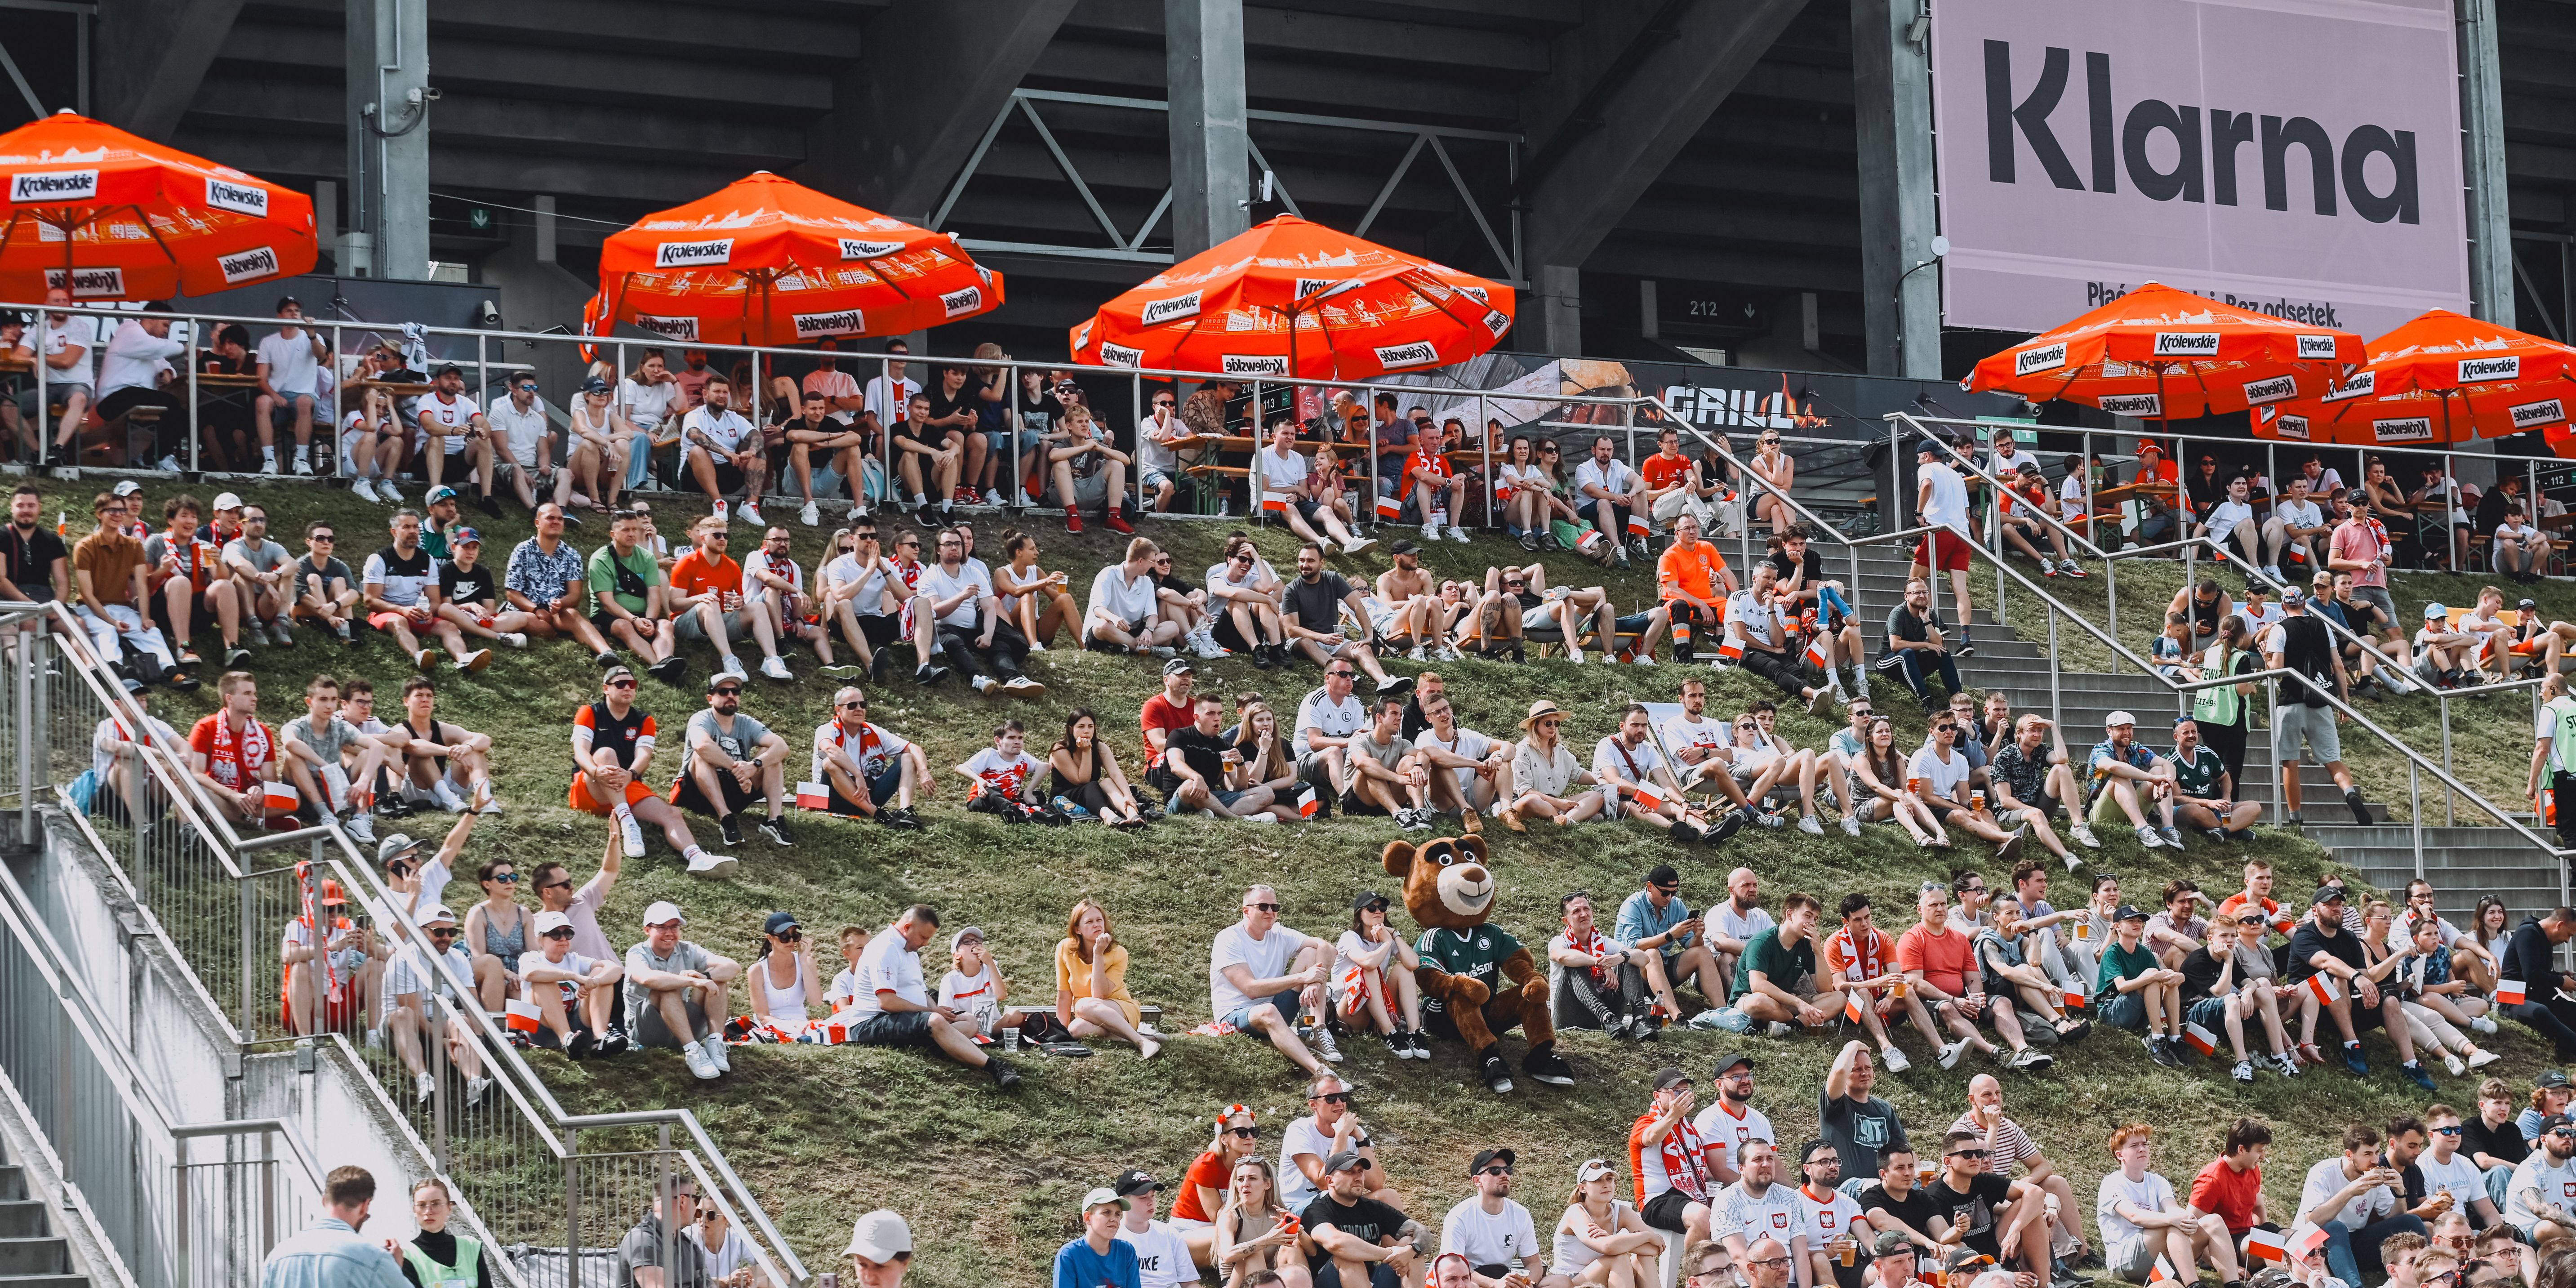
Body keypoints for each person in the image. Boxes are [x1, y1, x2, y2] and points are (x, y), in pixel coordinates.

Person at [844, 903, 1020, 1088]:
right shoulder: (885, 949)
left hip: (906, 1018)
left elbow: (922, 991)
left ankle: (939, 1042)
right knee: (935, 1021)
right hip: (872, 1022)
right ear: (907, 928)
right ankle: (996, 1067)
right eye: (923, 937)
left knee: (969, 1020)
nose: (926, 943)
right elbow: (887, 1002)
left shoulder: (910, 950)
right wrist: (931, 1012)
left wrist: (936, 1008)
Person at [1212, 885, 1338, 1074]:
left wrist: (1313, 982)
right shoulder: (1228, 939)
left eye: (1275, 907)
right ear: (1246, 911)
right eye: (1263, 907)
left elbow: (1328, 949)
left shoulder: (1279, 933)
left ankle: (1318, 1029)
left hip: (1275, 1008)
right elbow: (1251, 989)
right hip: (1234, 1016)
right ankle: (1319, 1070)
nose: (1270, 912)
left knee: (1312, 952)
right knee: (1268, 1010)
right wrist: (1303, 977)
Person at [2097, 1124, 2240, 1288]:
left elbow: (2173, 1209)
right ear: (2120, 1155)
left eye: (2145, 1144)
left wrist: (2188, 1220)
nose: (2142, 1149)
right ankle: (2194, 1284)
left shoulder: (2157, 1181)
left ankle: (2234, 1285)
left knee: (2214, 1221)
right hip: (2124, 1260)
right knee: (2170, 1225)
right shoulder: (2112, 1183)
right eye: (2135, 1146)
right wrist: (2174, 1219)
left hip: (2160, 1255)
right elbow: (2134, 1216)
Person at [382, 903, 494, 1105]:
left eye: (452, 931)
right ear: (419, 931)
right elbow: (415, 1015)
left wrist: (478, 1040)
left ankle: (475, 1084)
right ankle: (424, 1081)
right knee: (404, 1014)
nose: (447, 938)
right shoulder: (402, 960)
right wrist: (441, 1040)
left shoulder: (458, 958)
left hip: (439, 1024)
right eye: (439, 931)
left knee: (461, 1019)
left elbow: (472, 1006)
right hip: (402, 1029)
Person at [2300, 1123, 2425, 1285]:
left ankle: (2434, 1270)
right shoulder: (2323, 1172)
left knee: (2411, 1221)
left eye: (2377, 1152)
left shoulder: (2376, 1174)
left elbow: (2394, 1218)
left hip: (2356, 1243)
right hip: (2320, 1247)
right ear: (2349, 1155)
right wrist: (2351, 1191)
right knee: (2335, 1227)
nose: (2374, 1160)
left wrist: (2400, 1192)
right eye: (2367, 1154)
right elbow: (2312, 1221)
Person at [1551, 890, 1677, 1038]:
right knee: (1574, 965)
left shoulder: (1603, 941)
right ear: (1566, 921)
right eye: (1577, 911)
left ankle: (1640, 1021)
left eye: (1586, 909)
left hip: (1609, 1015)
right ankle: (1606, 1017)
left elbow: (1644, 959)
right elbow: (1563, 957)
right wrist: (1601, 963)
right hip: (1569, 1014)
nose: (1584, 914)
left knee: (1629, 959)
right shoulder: (1559, 941)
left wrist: (1620, 958)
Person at [258, 1165, 408, 1288]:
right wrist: (393, 1269)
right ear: (365, 1206)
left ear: (324, 1201)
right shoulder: (374, 1258)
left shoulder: (278, 1255)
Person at [1619, 866, 1727, 1022]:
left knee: (1703, 951)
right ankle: (1676, 1015)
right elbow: (1632, 946)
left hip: (1661, 970)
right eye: (1665, 893)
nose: (1669, 898)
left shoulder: (1676, 906)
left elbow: (1691, 945)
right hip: (1633, 972)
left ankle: (1723, 1012)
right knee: (1652, 953)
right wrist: (1670, 936)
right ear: (1650, 886)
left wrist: (1698, 935)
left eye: (1674, 893)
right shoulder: (1632, 905)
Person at [591, 508, 685, 684]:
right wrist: (635, 620)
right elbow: (607, 603)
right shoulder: (601, 559)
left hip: (642, 615)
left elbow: (654, 595)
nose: (632, 534)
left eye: (635, 529)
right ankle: (658, 665)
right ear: (613, 534)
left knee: (664, 625)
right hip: (610, 616)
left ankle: (667, 661)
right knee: (624, 626)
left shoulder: (647, 557)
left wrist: (650, 619)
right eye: (626, 530)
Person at [1630, 1067, 1721, 1248]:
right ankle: (1697, 1272)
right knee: (1702, 1216)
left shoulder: (1689, 1130)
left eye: (1685, 1092)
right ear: (1658, 1096)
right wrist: (1673, 1115)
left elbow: (1704, 1171)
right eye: (1676, 1092)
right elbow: (1651, 1138)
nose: (1681, 1097)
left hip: (1689, 1195)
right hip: (1656, 1200)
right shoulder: (1647, 1122)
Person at [1056, 899, 1157, 1058]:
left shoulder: (1119, 953)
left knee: (1083, 1005)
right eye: (1089, 922)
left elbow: (1099, 995)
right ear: (1078, 929)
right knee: (1075, 1030)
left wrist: (1098, 953)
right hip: (1088, 1015)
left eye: (1099, 920)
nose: (1096, 925)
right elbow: (1064, 995)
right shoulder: (1064, 948)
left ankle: (1142, 1042)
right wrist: (1060, 1034)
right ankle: (1128, 1037)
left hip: (1121, 1009)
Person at [1442, 1147, 1553, 1288]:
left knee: (1560, 1282)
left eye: (1508, 1170)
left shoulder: (1521, 1214)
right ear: (1477, 1181)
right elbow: (1453, 1268)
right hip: (1472, 1282)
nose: (1504, 1175)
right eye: (1495, 1171)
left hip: (1505, 1280)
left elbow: (1533, 1263)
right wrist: (1494, 1284)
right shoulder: (1459, 1216)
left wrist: (1527, 1284)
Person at [1909, 434, 1978, 658]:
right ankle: (1965, 637)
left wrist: (1919, 514)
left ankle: (1935, 622)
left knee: (1914, 583)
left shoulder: (1927, 470)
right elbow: (1968, 514)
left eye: (1920, 458)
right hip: (1962, 534)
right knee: (1961, 589)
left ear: (1927, 456)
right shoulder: (1957, 476)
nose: (1918, 462)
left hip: (1940, 531)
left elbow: (1926, 485)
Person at [1307, 1151, 1418, 1288]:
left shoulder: (1375, 1208)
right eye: (1350, 1172)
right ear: (1330, 1181)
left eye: (1360, 1172)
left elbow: (1423, 1233)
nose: (1358, 1177)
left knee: (1411, 1243)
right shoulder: (1316, 1210)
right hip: (1331, 1281)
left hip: (1369, 1281)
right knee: (1348, 1256)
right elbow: (1336, 1243)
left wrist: (1411, 1251)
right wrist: (1390, 1254)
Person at [189, 669, 285, 824]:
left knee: (293, 799)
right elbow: (196, 774)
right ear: (230, 699)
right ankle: (254, 821)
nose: (255, 698)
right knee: (195, 789)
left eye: (254, 693)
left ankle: (235, 817)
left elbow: (271, 781)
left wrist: (259, 791)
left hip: (250, 798)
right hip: (218, 793)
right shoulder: (205, 727)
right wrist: (232, 795)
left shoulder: (263, 732)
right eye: (247, 693)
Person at [1551, 1158, 1660, 1288]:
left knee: (1643, 1258)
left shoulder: (1621, 1212)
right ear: (1583, 1188)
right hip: (1571, 1282)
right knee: (1619, 1258)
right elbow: (1607, 1247)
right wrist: (1646, 1236)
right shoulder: (1576, 1213)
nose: (1606, 1185)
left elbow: (1655, 1248)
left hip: (1605, 1279)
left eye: (1609, 1179)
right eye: (1598, 1180)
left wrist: (1616, 1242)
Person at [1820, 1042, 1909, 1185]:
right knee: (1872, 1186)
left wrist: (1917, 1173)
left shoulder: (1884, 1108)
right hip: (1846, 1191)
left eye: (1868, 1068)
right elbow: (1839, 1071)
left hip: (1884, 1189)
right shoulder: (1835, 1104)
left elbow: (1905, 1152)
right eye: (1857, 1069)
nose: (1864, 1073)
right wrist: (1854, 1045)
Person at [1879, 579, 1965, 712]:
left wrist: (1927, 621)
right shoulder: (1898, 614)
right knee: (1907, 653)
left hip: (1912, 664)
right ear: (1906, 597)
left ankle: (1959, 699)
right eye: (1917, 592)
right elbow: (1895, 645)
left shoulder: (1930, 613)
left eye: (1925, 592)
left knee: (1943, 653)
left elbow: (1938, 644)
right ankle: (1926, 700)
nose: (1922, 596)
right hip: (1889, 663)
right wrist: (1924, 644)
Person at [1056, 1186, 1147, 1288]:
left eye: (1118, 1214)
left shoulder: (1126, 1251)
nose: (1114, 1219)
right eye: (1106, 1213)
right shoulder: (1069, 1255)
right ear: (1088, 1218)